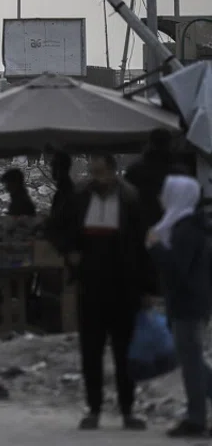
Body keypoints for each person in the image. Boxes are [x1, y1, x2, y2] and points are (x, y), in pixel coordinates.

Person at [57, 154, 150, 431]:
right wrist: (70, 252)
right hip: (91, 285)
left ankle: (127, 409)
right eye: (93, 173)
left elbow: (143, 245)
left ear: (113, 172)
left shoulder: (130, 200)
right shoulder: (80, 198)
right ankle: (94, 408)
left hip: (124, 286)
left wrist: (146, 287)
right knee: (91, 350)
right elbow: (57, 228)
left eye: (101, 173)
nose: (97, 179)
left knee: (125, 351)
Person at [146, 175, 212, 438]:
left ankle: (196, 419)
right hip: (191, 302)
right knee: (191, 359)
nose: (161, 198)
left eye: (166, 192)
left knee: (190, 362)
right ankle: (196, 417)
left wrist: (156, 247)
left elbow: (176, 270)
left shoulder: (186, 229)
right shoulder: (191, 226)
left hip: (188, 304)